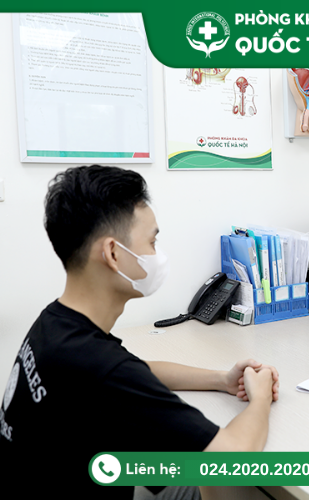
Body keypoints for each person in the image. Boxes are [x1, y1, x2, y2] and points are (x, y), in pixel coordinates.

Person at [0, 165, 279, 499]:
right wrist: (260, 398)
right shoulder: (100, 367)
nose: (157, 254)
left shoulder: (56, 324)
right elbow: (232, 459)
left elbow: (137, 370)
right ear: (113, 253)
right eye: (152, 241)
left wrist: (222, 380)